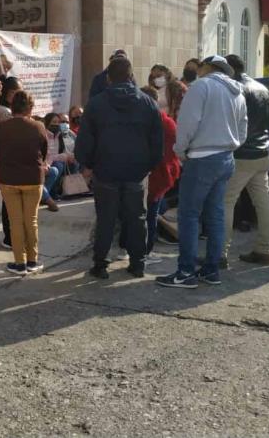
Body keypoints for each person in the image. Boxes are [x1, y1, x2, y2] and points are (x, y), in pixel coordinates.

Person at [156, 56, 247, 289]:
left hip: (201, 158)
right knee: (215, 216)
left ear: (206, 67)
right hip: (226, 157)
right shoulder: (236, 91)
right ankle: (211, 270)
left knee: (189, 215)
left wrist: (180, 150)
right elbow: (243, 128)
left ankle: (185, 272)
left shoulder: (201, 87)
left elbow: (187, 123)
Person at [75, 56, 163, 279]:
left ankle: (101, 264)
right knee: (136, 218)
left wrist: (87, 165)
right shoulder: (148, 103)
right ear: (131, 76)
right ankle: (137, 263)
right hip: (136, 172)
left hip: (106, 171)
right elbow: (157, 142)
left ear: (108, 78)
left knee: (106, 218)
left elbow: (85, 141)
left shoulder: (96, 104)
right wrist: (148, 166)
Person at [221, 54, 269, 266]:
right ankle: (264, 249)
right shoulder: (261, 88)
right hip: (262, 153)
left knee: (225, 202)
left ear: (230, 69)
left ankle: (219, 254)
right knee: (262, 203)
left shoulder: (236, 88)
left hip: (242, 155)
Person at [0, 91, 47, 276]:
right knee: (31, 221)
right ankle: (33, 260)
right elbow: (44, 152)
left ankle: (19, 263)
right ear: (30, 108)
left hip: (8, 179)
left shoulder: (0, 128)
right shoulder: (38, 126)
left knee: (15, 222)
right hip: (33, 178)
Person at [139, 85, 180, 263]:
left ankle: (139, 250)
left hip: (146, 174)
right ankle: (145, 251)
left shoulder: (141, 120)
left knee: (143, 214)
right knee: (150, 214)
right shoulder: (165, 121)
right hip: (161, 174)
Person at [0, 75, 23, 249]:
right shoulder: (5, 112)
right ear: (8, 94)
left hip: (10, 161)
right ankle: (9, 237)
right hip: (8, 162)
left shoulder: (8, 111)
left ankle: (12, 236)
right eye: (16, 92)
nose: (19, 96)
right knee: (9, 202)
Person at [43, 113, 72, 211]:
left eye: (58, 122)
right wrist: (62, 156)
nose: (57, 125)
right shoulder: (44, 135)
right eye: (54, 122)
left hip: (51, 162)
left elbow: (69, 146)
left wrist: (66, 156)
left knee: (61, 164)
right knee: (55, 169)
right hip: (44, 164)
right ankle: (45, 197)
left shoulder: (59, 135)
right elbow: (47, 155)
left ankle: (52, 193)